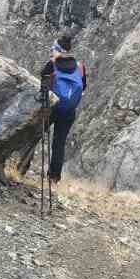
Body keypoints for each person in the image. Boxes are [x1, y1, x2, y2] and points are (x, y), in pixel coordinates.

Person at [39, 34, 88, 185]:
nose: (51, 51)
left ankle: (21, 167)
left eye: (53, 48)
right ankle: (53, 178)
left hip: (51, 107)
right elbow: (83, 87)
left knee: (35, 135)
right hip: (68, 111)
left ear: (58, 49)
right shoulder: (80, 67)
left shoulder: (51, 64)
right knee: (59, 143)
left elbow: (43, 83)